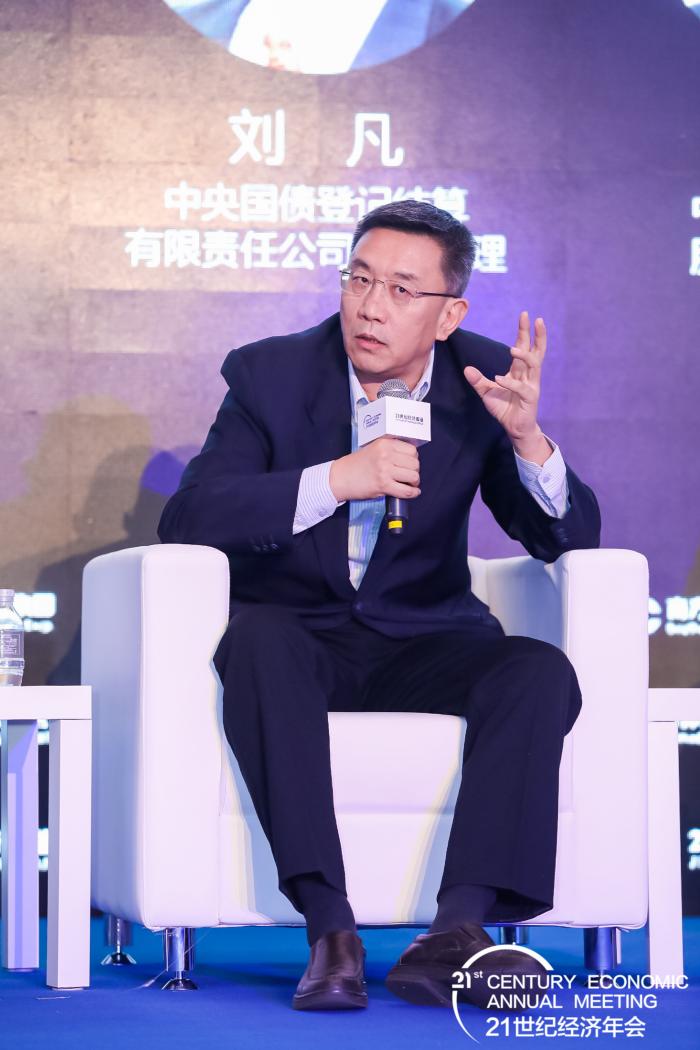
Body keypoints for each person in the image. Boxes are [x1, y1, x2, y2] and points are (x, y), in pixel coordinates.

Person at [158, 199, 601, 1012]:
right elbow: (190, 517)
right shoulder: (269, 374)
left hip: (425, 639)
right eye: (359, 279)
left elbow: (565, 537)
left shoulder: (480, 379)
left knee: (537, 670)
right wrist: (337, 480)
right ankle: (331, 930)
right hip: (300, 634)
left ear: (448, 314)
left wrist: (527, 440)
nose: (370, 306)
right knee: (258, 641)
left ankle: (456, 932)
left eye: (401, 289)